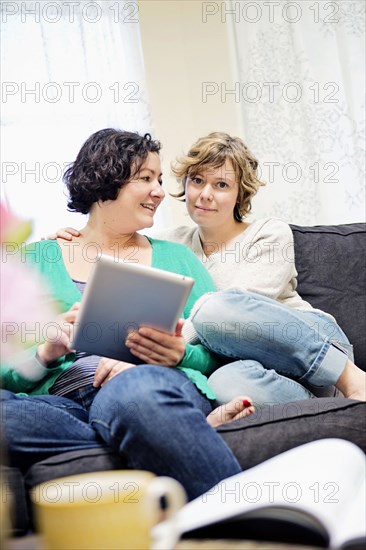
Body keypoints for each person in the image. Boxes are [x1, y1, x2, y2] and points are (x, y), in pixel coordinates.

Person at [1, 128, 254, 502]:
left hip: (144, 383)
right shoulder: (35, 259)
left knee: (136, 394)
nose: (159, 191)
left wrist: (178, 354)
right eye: (146, 178)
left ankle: (242, 514)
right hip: (59, 405)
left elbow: (221, 349)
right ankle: (176, 428)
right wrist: (45, 352)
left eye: (160, 180)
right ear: (106, 178)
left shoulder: (176, 258)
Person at [53, 132, 366, 404]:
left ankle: (351, 378)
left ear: (239, 194)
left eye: (221, 184)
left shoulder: (269, 233)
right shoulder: (166, 245)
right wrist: (66, 241)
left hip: (311, 341)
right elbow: (114, 248)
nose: (205, 194)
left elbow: (235, 306)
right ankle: (322, 407)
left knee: (214, 306)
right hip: (256, 367)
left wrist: (151, 350)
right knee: (221, 386)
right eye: (197, 180)